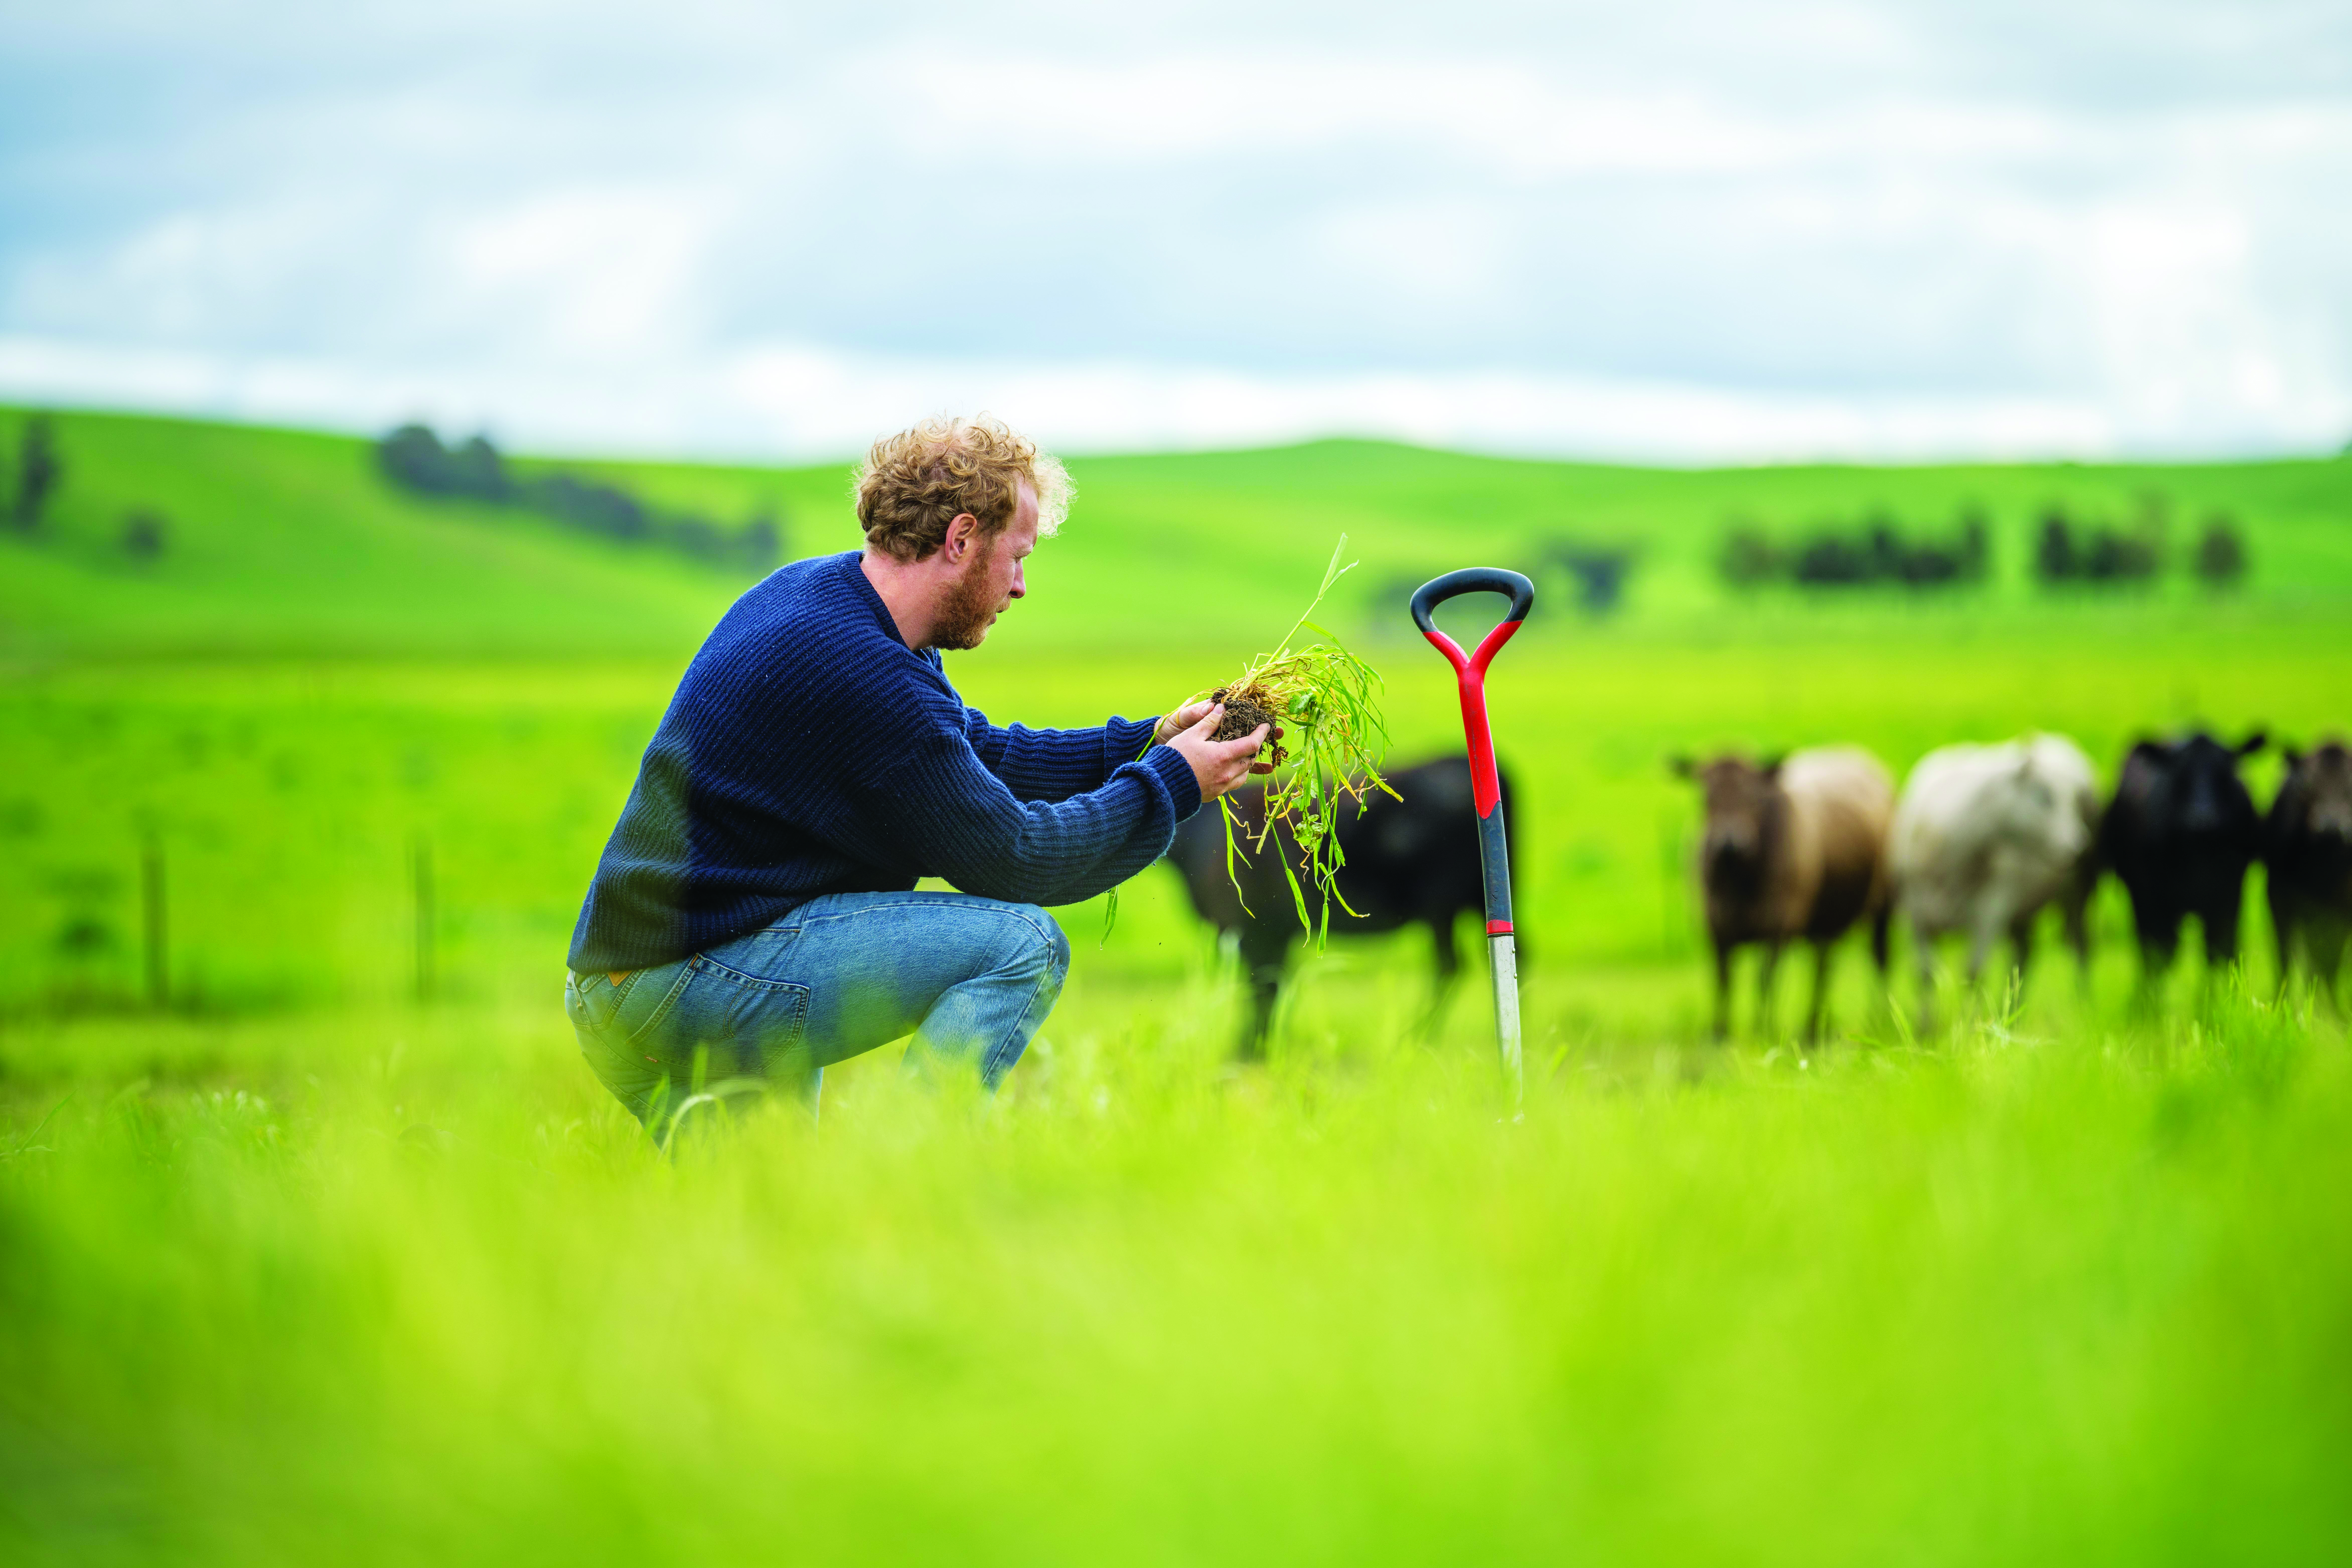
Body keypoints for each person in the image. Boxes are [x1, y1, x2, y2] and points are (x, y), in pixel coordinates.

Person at [563, 415, 1270, 1130]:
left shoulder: (833, 602)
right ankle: (908, 1169)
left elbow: (974, 756)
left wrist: (1152, 740)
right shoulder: (862, 670)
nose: (1021, 587)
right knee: (1020, 948)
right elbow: (1018, 861)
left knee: (762, 1215)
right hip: (686, 982)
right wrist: (1177, 783)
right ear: (961, 539)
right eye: (1017, 556)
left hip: (645, 979)